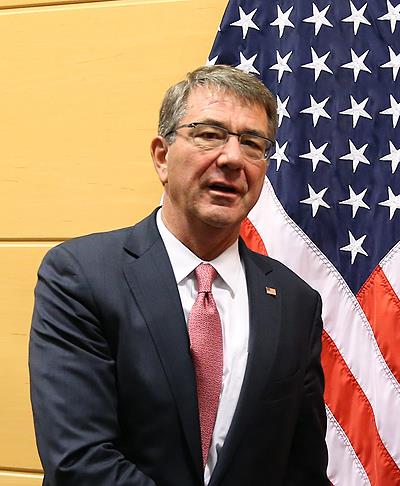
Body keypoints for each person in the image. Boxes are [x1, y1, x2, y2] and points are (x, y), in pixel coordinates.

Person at [29, 65, 328, 485]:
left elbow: (302, 470)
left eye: (252, 143)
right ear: (162, 157)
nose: (232, 158)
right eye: (209, 134)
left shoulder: (296, 302)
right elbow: (79, 460)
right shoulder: (80, 276)